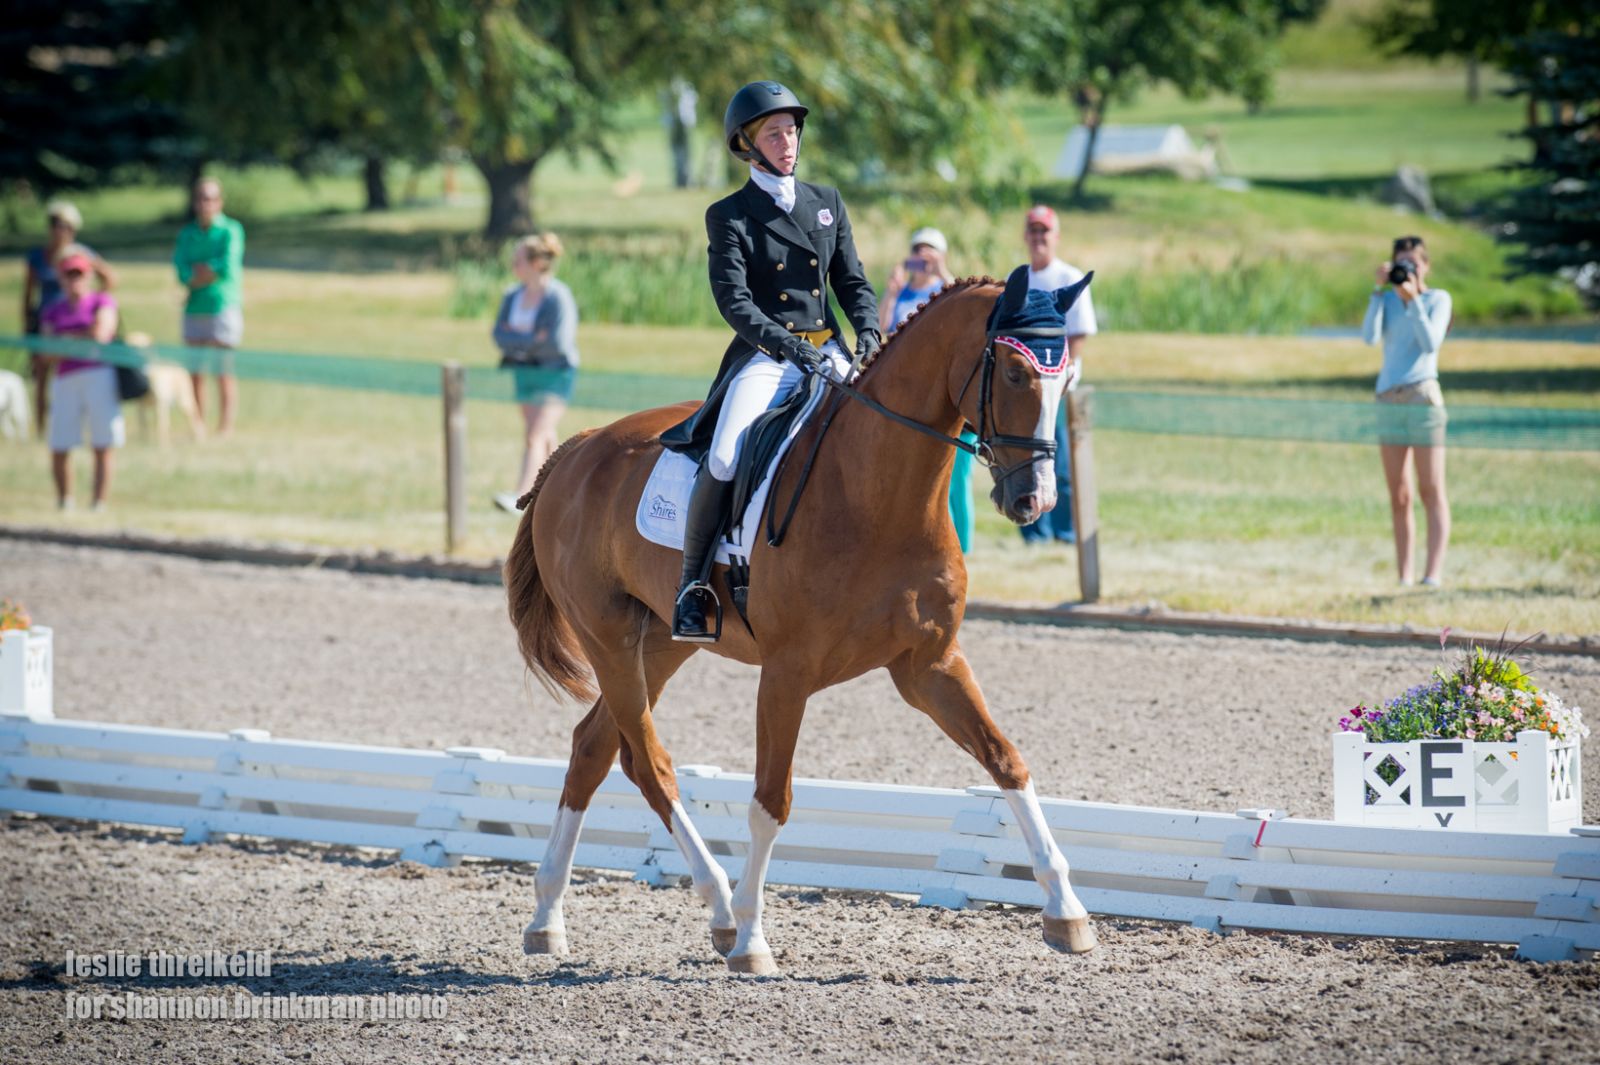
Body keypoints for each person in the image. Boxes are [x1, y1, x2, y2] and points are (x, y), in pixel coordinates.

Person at [659, 80, 880, 642]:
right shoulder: (730, 215)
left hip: (829, 351)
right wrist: (788, 346)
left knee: (884, 432)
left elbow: (852, 282)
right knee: (725, 455)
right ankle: (693, 586)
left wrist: (869, 330)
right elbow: (735, 302)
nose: (788, 143)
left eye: (792, 131)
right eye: (775, 134)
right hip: (768, 355)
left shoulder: (826, 203)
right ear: (747, 145)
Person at [880, 227, 977, 552]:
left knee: (956, 480)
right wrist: (891, 292)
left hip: (944, 397)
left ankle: (961, 547)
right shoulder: (903, 292)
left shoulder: (945, 291)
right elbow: (883, 329)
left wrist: (942, 271)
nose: (922, 258)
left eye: (930, 252)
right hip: (907, 399)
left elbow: (963, 305)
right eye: (917, 251)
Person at [1363, 235, 1452, 587]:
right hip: (1388, 398)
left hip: (1422, 397)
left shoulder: (1437, 299)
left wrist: (1413, 300)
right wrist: (1378, 291)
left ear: (1426, 266)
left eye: (1413, 263)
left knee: (1431, 488)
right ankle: (1404, 576)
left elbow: (1430, 343)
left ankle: (1432, 575)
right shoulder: (1386, 301)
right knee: (1399, 494)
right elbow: (1369, 337)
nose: (1408, 269)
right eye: (1401, 263)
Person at [1017, 204, 1096, 546]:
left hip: (1058, 385)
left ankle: (1065, 531)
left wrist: (1063, 372)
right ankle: (1033, 531)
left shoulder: (1068, 277)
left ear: (1056, 236)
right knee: (1024, 457)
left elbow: (1078, 332)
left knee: (1060, 462)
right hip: (1025, 388)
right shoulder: (1020, 279)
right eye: (1033, 230)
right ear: (1025, 236)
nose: (1038, 237)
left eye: (1044, 231)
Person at [491, 232, 580, 514]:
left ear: (536, 263)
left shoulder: (558, 297)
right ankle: (558, 491)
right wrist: (532, 339)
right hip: (523, 373)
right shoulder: (512, 295)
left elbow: (557, 341)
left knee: (535, 435)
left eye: (518, 260)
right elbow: (499, 334)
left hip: (555, 374)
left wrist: (518, 339)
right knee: (543, 434)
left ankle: (522, 495)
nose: (513, 265)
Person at [21, 200, 115, 437]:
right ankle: (42, 430)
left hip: (78, 320)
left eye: (66, 226)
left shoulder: (81, 254)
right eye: (56, 224)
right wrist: (27, 326)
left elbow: (108, 278)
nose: (61, 230)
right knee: (41, 377)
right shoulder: (38, 256)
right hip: (47, 321)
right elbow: (28, 294)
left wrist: (97, 301)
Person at [39, 249, 122, 511]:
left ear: (88, 276)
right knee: (60, 441)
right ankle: (65, 500)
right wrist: (82, 337)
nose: (74, 280)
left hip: (98, 374)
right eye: (69, 274)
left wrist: (65, 341)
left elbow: (101, 336)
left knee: (102, 441)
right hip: (65, 378)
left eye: (79, 274)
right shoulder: (53, 309)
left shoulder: (101, 301)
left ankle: (99, 502)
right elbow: (47, 352)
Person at [174, 177, 245, 435]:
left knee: (223, 370)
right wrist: (202, 274)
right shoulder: (187, 234)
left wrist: (199, 274)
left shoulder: (230, 230)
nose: (206, 204)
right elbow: (182, 271)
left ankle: (225, 426)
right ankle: (199, 425)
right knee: (196, 372)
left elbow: (225, 267)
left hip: (222, 306)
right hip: (195, 308)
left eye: (211, 199)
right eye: (202, 199)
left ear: (220, 202)